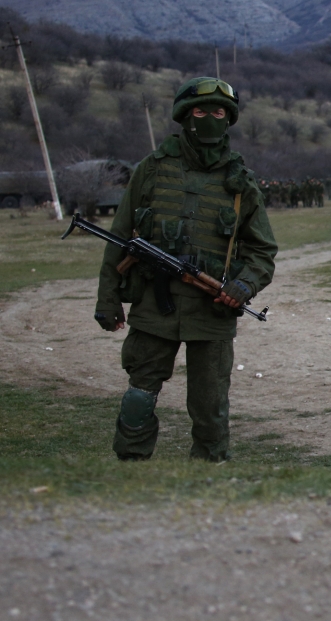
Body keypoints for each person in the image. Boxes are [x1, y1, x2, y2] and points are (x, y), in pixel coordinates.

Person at [93, 77, 277, 462]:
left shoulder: (241, 183)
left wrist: (243, 286)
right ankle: (130, 462)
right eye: (201, 110)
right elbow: (121, 237)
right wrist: (108, 299)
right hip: (153, 306)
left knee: (210, 400)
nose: (210, 117)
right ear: (184, 116)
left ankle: (209, 469)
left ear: (229, 119)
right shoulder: (152, 170)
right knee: (141, 388)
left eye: (219, 111)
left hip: (213, 308)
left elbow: (262, 250)